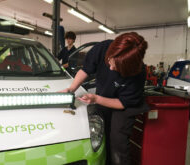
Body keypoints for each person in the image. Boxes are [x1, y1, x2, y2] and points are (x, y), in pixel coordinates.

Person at [61, 32, 150, 165]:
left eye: (117, 67)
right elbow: (86, 70)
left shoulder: (138, 74)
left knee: (117, 141)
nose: (111, 67)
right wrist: (71, 89)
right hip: (103, 96)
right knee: (101, 135)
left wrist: (96, 99)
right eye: (110, 61)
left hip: (124, 106)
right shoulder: (102, 48)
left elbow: (122, 103)